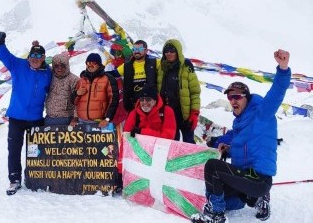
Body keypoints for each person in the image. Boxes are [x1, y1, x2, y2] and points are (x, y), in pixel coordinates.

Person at [191, 49, 291, 223]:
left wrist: (283, 69)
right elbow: (241, 145)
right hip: (246, 178)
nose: (233, 100)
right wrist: (227, 149)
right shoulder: (239, 123)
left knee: (213, 168)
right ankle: (252, 199)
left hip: (258, 179)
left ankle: (216, 214)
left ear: (247, 98)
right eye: (230, 97)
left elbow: (276, 94)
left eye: (237, 96)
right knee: (221, 196)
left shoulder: (262, 113)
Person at [0, 32, 52, 195]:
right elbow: (4, 55)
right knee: (14, 149)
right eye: (32, 55)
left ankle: (37, 177)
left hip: (36, 119)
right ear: (28, 56)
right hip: (16, 118)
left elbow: (60, 77)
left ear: (43, 58)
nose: (35, 58)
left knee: (37, 150)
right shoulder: (18, 65)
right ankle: (14, 180)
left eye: (39, 56)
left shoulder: (48, 73)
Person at [116, 84, 176, 192]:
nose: (144, 102)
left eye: (148, 99)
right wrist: (120, 171)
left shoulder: (167, 112)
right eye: (142, 99)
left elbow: (168, 137)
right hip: (141, 159)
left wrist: (142, 132)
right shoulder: (134, 114)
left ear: (155, 100)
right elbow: (125, 142)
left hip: (161, 158)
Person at [157, 39, 201, 143]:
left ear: (178, 51)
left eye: (172, 51)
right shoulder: (161, 68)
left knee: (188, 142)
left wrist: (194, 113)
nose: (169, 54)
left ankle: (191, 160)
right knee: (171, 142)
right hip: (167, 113)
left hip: (184, 114)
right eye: (166, 51)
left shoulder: (187, 68)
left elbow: (195, 92)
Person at [70, 53, 119, 128]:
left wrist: (107, 119)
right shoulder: (81, 80)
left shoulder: (108, 79)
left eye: (93, 63)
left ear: (99, 64)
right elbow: (74, 102)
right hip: (81, 122)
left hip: (99, 123)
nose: (90, 65)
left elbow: (114, 100)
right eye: (88, 63)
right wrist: (77, 93)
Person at [45, 52, 80, 126]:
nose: (59, 68)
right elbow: (39, 63)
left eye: (62, 65)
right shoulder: (50, 75)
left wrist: (75, 118)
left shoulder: (74, 80)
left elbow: (79, 100)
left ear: (67, 66)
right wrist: (35, 48)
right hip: (49, 118)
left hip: (67, 119)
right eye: (56, 66)